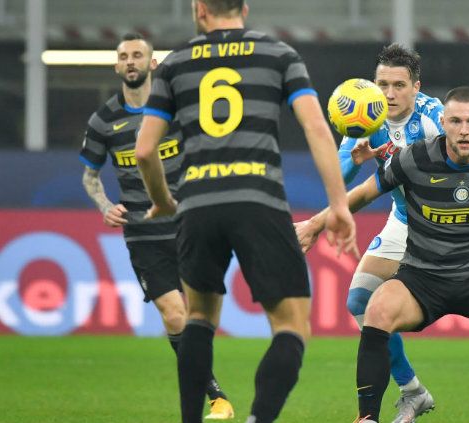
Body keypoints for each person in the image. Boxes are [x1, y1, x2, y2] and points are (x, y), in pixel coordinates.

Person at [296, 45, 469, 423]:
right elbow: (340, 176)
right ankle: (412, 391)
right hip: (403, 220)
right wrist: (358, 155)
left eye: (398, 85)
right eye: (382, 84)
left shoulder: (434, 118)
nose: (389, 94)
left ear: (416, 87)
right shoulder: (365, 113)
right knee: (360, 300)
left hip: (450, 223)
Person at [134, 1, 358, 422]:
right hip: (259, 200)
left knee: (199, 318)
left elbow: (145, 150)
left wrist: (162, 200)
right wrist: (339, 204)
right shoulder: (279, 55)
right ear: (245, 7)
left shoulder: (175, 63)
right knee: (291, 325)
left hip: (198, 204)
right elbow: (315, 127)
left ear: (200, 9)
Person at [79, 32, 234, 420]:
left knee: (198, 317)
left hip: (188, 226)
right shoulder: (103, 121)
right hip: (143, 234)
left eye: (137, 55)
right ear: (117, 66)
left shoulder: (177, 110)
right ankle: (216, 397)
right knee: (174, 314)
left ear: (152, 64)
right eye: (123, 56)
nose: (130, 61)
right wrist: (104, 206)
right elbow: (90, 175)